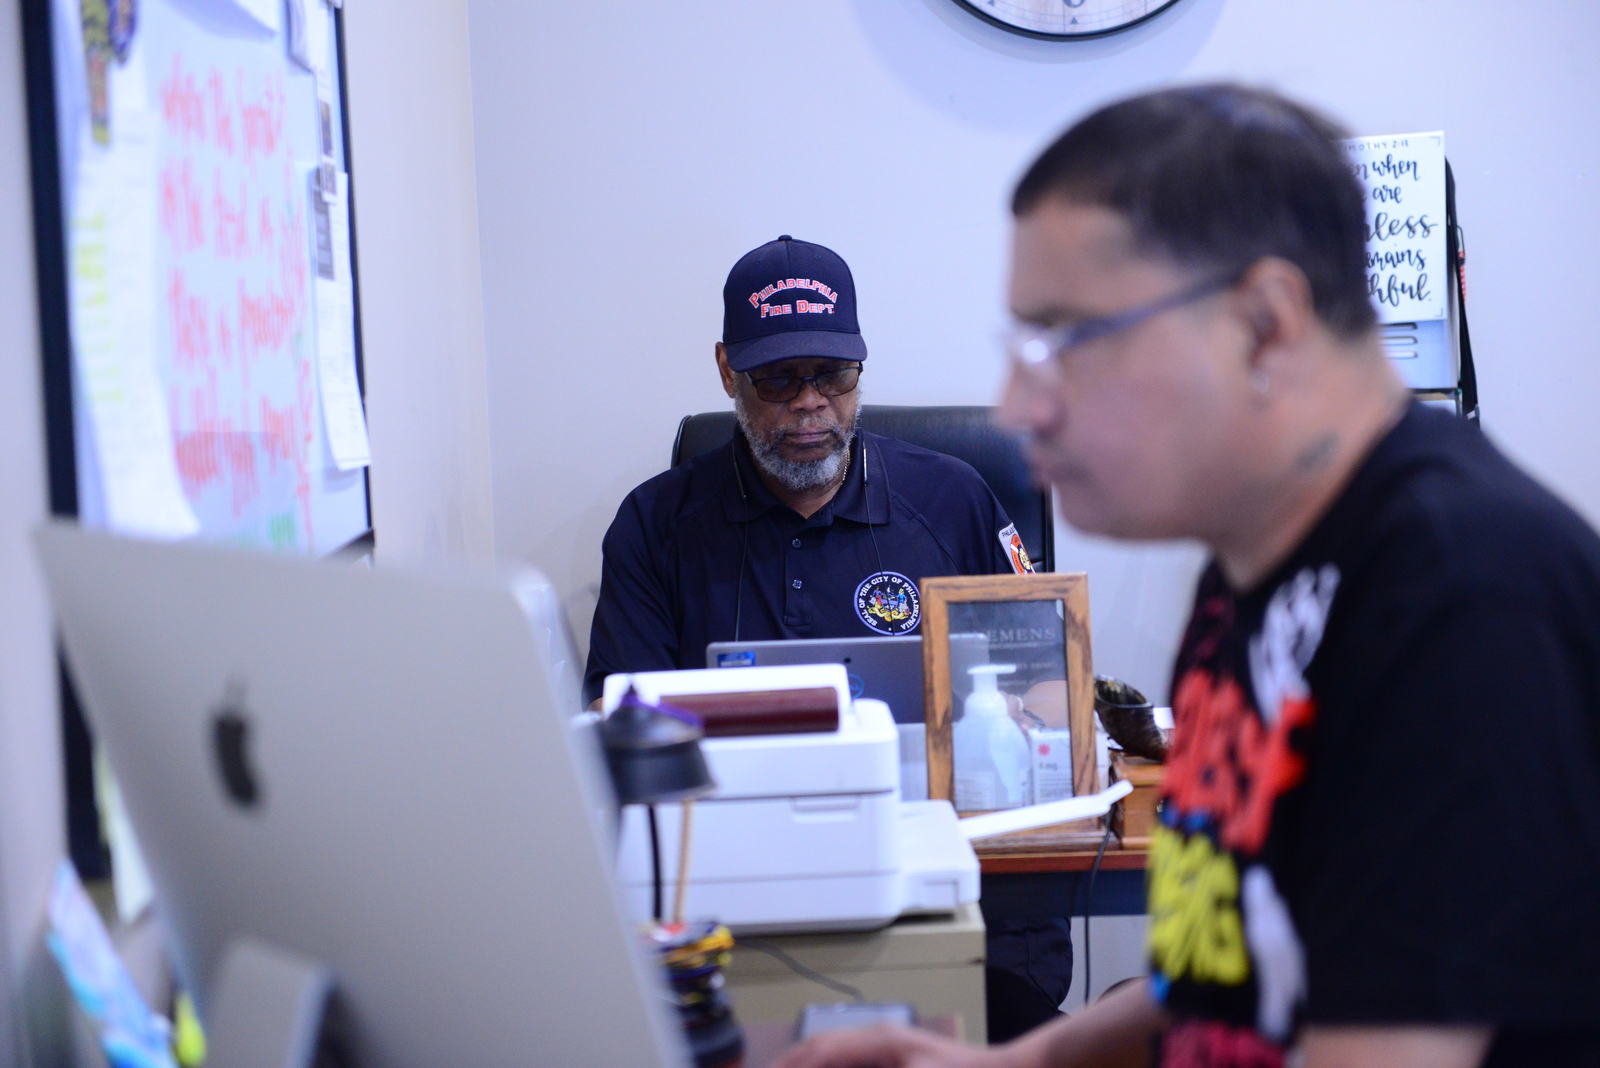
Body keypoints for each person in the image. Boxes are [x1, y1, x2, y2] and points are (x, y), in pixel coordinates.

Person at [776, 84, 1600, 1068]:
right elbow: (1227, 967)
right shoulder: (1254, 559)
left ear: (1262, 325)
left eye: (1065, 341)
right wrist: (1004, 1065)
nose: (1017, 406)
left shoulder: (1461, 593)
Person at [585, 235, 1073, 1039]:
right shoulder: (655, 527)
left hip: (959, 907)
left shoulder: (954, 501)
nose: (808, 403)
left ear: (859, 371)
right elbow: (622, 746)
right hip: (737, 915)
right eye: (777, 379)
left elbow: (1052, 687)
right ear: (725, 372)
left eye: (832, 375)